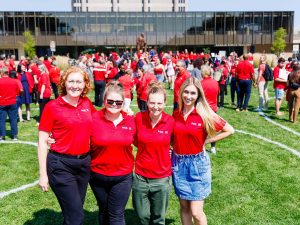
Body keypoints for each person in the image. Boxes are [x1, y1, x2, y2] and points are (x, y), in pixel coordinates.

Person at [172, 77, 234, 225]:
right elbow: (172, 138)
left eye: (193, 93)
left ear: (198, 95)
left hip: (197, 165)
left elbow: (230, 130)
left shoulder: (204, 114)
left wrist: (205, 141)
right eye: (186, 92)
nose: (188, 96)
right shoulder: (176, 114)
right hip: (178, 164)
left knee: (196, 212)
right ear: (181, 93)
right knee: (184, 207)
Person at [38, 67, 95, 225]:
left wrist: (124, 113)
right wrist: (43, 175)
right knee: (76, 217)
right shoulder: (52, 107)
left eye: (79, 81)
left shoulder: (86, 103)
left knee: (73, 213)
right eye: (71, 81)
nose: (75, 85)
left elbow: (101, 122)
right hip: (61, 165)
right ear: (64, 83)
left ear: (85, 84)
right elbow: (42, 142)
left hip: (84, 164)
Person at [89, 81, 136, 225]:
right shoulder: (93, 118)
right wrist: (53, 139)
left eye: (118, 102)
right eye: (110, 101)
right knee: (103, 210)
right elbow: (75, 133)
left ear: (124, 103)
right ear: (104, 101)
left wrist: (170, 149)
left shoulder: (131, 121)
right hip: (97, 175)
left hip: (122, 176)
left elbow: (147, 138)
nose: (114, 105)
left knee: (116, 214)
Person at [132, 82, 174, 225]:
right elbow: (134, 141)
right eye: (152, 103)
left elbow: (179, 142)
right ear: (147, 102)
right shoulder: (138, 118)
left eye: (159, 103)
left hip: (162, 178)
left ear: (165, 103)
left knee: (158, 218)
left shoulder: (171, 121)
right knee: (142, 215)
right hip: (140, 177)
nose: (155, 107)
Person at [201, 65, 220, 154]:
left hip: (204, 108)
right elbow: (217, 94)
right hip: (213, 108)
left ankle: (202, 146)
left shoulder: (201, 83)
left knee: (202, 129)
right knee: (212, 129)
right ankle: (213, 148)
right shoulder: (215, 83)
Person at [0, 67, 23, 141]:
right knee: (13, 119)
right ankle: (14, 135)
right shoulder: (14, 81)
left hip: (2, 102)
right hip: (12, 101)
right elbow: (21, 90)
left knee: (1, 120)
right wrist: (17, 94)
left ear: (2, 73)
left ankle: (2, 136)